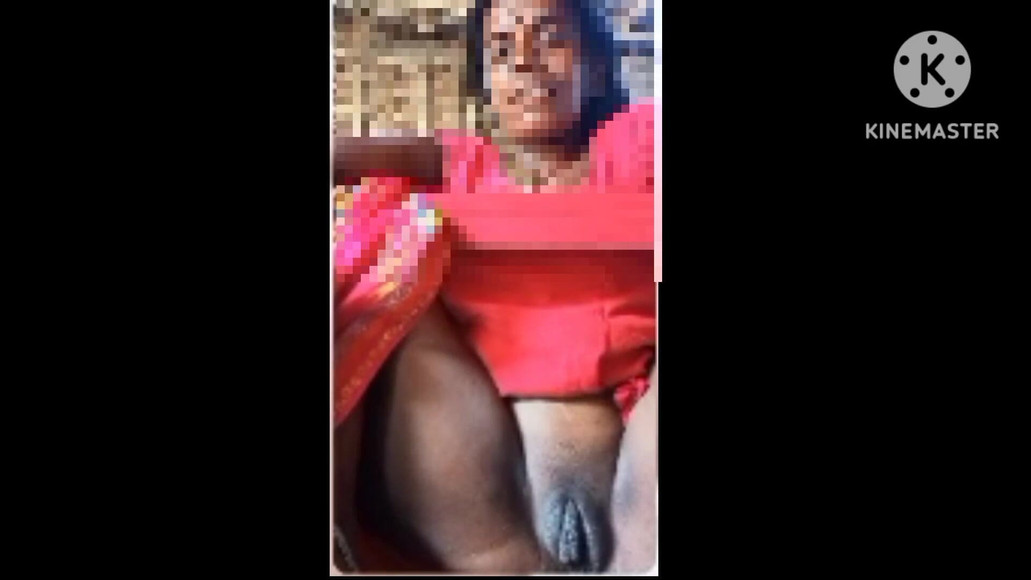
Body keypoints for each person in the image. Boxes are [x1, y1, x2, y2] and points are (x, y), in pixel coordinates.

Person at [334, 0, 656, 572]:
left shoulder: (633, 143)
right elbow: (342, 155)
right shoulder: (465, 162)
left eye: (549, 37)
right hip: (473, 467)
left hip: (637, 456)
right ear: (489, 87)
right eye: (502, 51)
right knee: (385, 230)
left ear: (596, 67)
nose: (525, 62)